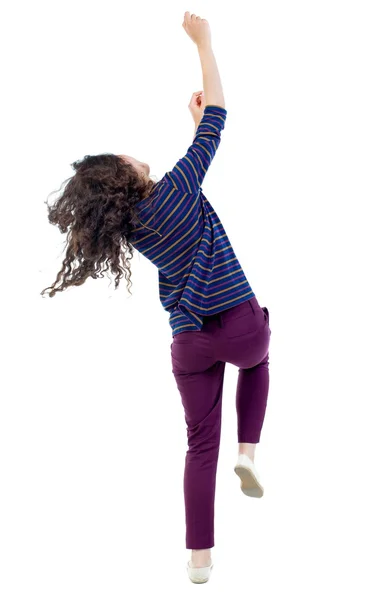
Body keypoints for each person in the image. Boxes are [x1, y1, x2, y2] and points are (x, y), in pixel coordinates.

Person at [40, 11, 271, 584]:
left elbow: (201, 139)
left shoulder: (135, 230)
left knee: (198, 448)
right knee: (261, 359)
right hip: (241, 326)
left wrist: (193, 131)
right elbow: (218, 116)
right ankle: (249, 452)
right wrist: (204, 42)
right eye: (125, 156)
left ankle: (199, 561)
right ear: (124, 174)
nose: (134, 154)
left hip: (188, 343)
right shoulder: (177, 187)